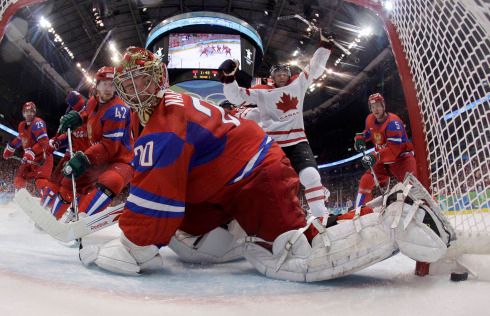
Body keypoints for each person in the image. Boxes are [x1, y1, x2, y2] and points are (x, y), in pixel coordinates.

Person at [78, 47, 450, 282]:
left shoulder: (163, 122)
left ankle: (400, 214)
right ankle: (241, 230)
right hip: (229, 180)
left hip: (254, 175)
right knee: (189, 242)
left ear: (158, 79)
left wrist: (129, 247)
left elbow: (153, 210)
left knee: (295, 255)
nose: (133, 91)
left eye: (141, 81)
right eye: (128, 84)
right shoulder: (172, 104)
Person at [219, 32, 334, 217]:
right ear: (272, 76)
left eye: (284, 72)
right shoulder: (262, 91)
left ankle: (322, 217)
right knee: (266, 185)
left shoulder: (298, 83)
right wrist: (229, 79)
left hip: (297, 141)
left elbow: (315, 68)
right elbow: (235, 96)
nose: (282, 75)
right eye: (278, 73)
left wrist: (324, 47)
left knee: (311, 176)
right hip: (273, 145)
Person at [54, 66, 134, 220]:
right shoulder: (93, 101)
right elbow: (86, 113)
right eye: (104, 84)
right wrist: (77, 117)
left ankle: (82, 219)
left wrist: (84, 157)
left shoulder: (118, 110)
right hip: (100, 158)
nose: (109, 88)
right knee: (69, 181)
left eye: (112, 84)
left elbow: (109, 147)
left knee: (111, 181)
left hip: (121, 161)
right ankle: (53, 217)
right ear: (96, 86)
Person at [353, 93, 417, 207]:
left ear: (383, 106)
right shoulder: (370, 119)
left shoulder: (393, 123)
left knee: (414, 190)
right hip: (382, 160)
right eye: (372, 107)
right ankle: (359, 212)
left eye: (378, 105)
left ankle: (429, 215)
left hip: (402, 160)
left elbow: (394, 151)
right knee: (366, 180)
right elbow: (369, 132)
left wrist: (374, 156)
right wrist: (361, 138)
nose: (375, 109)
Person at [40, 91, 91, 214]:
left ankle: (75, 211)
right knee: (56, 180)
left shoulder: (91, 113)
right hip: (71, 155)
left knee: (77, 187)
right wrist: (56, 142)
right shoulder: (70, 115)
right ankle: (43, 208)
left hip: (86, 158)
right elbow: (65, 135)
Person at [2, 102, 53, 195]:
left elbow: (44, 142)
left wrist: (31, 153)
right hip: (29, 158)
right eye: (26, 112)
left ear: (34, 112)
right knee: (19, 177)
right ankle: (20, 197)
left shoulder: (38, 123)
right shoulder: (21, 125)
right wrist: (10, 149)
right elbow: (20, 138)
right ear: (23, 113)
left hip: (43, 158)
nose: (29, 114)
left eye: (31, 111)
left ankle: (48, 203)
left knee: (41, 182)